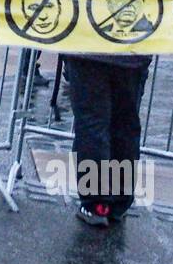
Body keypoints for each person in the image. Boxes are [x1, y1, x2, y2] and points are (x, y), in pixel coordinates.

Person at [64, 53, 152, 227]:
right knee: (125, 126)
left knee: (92, 125)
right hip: (133, 53)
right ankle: (119, 200)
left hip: (88, 50)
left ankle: (96, 203)